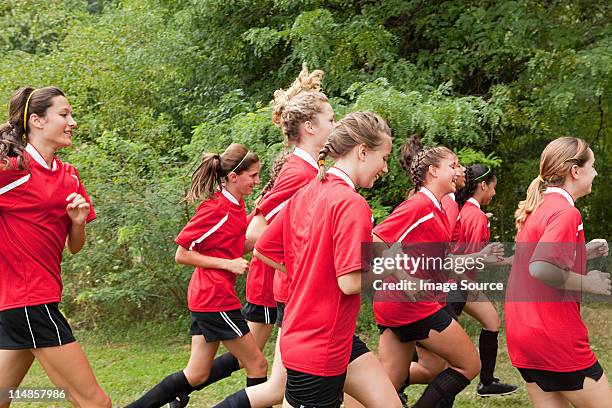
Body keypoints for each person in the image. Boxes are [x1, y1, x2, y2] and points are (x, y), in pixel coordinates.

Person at [216, 112, 401, 408]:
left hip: (329, 338)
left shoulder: (308, 191)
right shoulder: (351, 204)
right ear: (363, 151)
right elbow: (351, 282)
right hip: (318, 349)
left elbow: (265, 248)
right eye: (384, 157)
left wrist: (311, 276)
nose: (385, 168)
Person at [126, 144, 268, 408]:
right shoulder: (217, 209)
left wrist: (263, 224)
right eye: (253, 175)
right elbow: (182, 254)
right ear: (234, 177)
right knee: (257, 364)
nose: (257, 181)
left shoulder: (237, 205)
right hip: (215, 298)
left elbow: (236, 246)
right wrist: (227, 265)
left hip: (206, 296)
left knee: (198, 373)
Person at [372, 135, 504, 407]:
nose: (460, 170)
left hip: (396, 305)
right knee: (468, 364)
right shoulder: (420, 205)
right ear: (433, 171)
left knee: (387, 382)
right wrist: (404, 277)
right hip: (411, 305)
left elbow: (442, 263)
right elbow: (375, 240)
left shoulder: (439, 209)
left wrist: (480, 256)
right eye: (453, 165)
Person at [0, 86, 110, 408]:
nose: (72, 121)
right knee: (96, 403)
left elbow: (74, 247)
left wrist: (77, 221)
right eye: (64, 114)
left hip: (29, 301)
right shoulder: (12, 170)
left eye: (71, 114)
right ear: (36, 120)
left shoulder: (70, 177)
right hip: (29, 300)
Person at [505, 136, 611, 407]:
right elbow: (540, 267)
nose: (596, 173)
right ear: (575, 171)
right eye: (593, 166)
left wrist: (583, 251)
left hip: (523, 336)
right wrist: (590, 283)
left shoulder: (539, 209)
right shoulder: (566, 213)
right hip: (552, 336)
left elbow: (537, 261)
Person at [445, 164, 518, 396]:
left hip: (458, 280)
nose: (494, 194)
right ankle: (398, 384)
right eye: (493, 188)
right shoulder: (476, 216)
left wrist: (507, 261)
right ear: (483, 185)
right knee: (440, 358)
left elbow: (475, 256)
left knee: (492, 320)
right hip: (456, 284)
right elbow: (475, 260)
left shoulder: (466, 210)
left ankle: (487, 383)